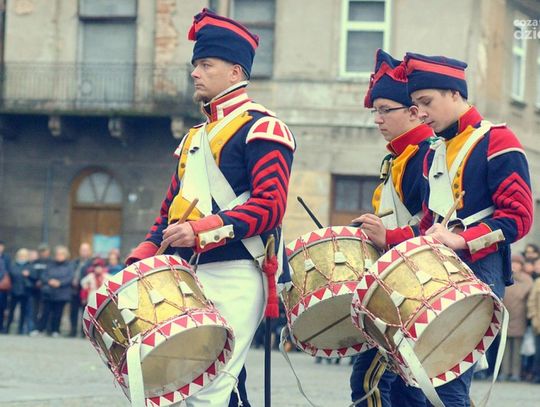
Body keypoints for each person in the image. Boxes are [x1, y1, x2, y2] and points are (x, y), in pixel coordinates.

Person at [126, 8, 294, 406]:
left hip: (238, 269)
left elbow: (269, 206)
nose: (195, 73)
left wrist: (201, 230)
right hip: (189, 273)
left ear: (235, 72)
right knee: (188, 385)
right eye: (195, 65)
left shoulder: (263, 127)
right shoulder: (194, 138)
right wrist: (142, 257)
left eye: (206, 65)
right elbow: (171, 210)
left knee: (206, 390)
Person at [357, 52, 533, 406]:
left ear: (454, 93)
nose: (421, 113)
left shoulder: (497, 140)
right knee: (410, 385)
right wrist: (390, 239)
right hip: (433, 271)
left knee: (445, 388)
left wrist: (461, 239)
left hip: (479, 270)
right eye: (416, 105)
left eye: (426, 102)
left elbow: (518, 218)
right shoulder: (434, 151)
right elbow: (427, 225)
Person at [349, 49, 431, 407]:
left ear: (413, 112)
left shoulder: (425, 156)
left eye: (385, 110)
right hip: (397, 285)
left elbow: (437, 228)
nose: (377, 119)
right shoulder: (398, 157)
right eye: (375, 111)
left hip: (415, 288)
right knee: (408, 390)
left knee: (372, 381)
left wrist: (389, 237)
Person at [501, 253, 532, 381]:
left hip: (519, 318)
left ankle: (515, 373)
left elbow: (526, 296)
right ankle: (504, 372)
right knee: (504, 348)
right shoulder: (504, 277)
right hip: (505, 317)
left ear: (521, 265)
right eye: (512, 263)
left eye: (517, 263)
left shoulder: (526, 280)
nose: (514, 265)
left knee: (517, 349)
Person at [39, 245, 74, 337]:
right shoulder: (50, 264)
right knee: (45, 312)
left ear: (65, 255)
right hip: (49, 292)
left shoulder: (69, 266)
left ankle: (55, 330)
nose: (59, 256)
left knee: (58, 313)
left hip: (62, 293)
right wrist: (49, 281)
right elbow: (43, 275)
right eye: (58, 254)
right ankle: (41, 329)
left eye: (61, 254)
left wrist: (60, 283)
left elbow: (70, 277)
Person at [6, 248, 33, 335]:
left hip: (25, 292)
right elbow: (11, 275)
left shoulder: (30, 266)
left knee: (23, 311)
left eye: (24, 256)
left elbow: (34, 277)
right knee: (11, 311)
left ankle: (21, 328)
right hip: (14, 291)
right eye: (21, 255)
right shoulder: (13, 265)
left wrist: (29, 275)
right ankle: (7, 328)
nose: (22, 257)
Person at [69, 242, 93, 337]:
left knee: (84, 312)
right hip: (74, 290)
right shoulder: (75, 262)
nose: (84, 252)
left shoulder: (91, 263)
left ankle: (84, 332)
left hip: (84, 290)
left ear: (89, 251)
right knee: (73, 311)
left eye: (86, 250)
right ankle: (73, 331)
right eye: (82, 250)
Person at [28, 243, 51, 335]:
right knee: (35, 310)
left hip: (47, 290)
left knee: (45, 310)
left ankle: (44, 328)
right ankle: (35, 328)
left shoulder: (51, 262)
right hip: (35, 290)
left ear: (48, 252)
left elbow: (51, 274)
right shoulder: (35, 262)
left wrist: (43, 281)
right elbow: (31, 273)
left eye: (45, 251)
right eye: (42, 251)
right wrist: (36, 281)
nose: (43, 253)